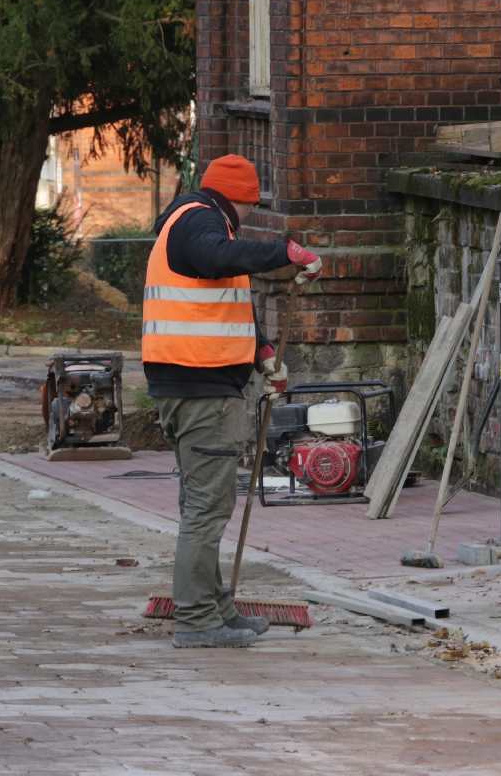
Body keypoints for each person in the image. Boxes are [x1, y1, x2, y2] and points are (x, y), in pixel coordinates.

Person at [142, 154, 321, 650]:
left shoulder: (194, 221)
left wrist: (263, 355)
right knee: (206, 508)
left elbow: (223, 300)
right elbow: (220, 258)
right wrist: (286, 252)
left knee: (204, 504)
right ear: (241, 199)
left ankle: (215, 606)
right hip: (200, 390)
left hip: (195, 383)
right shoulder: (200, 223)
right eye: (250, 206)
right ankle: (198, 620)